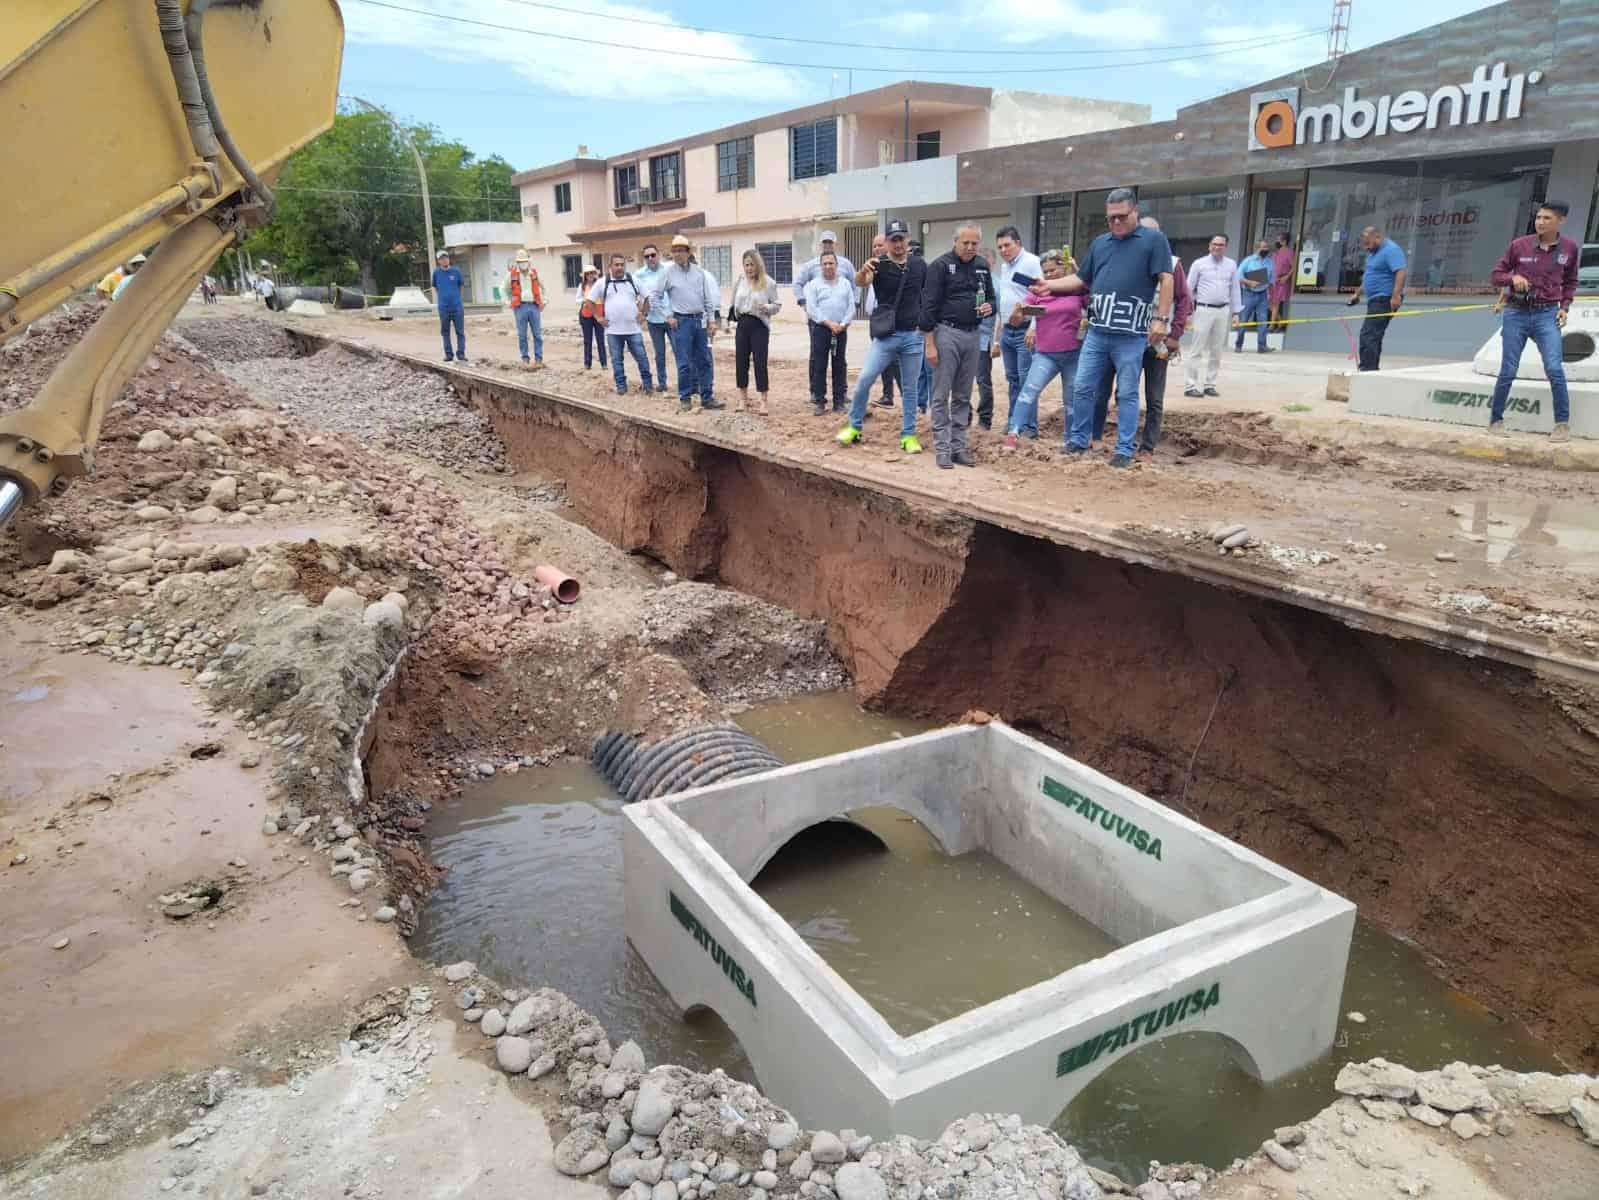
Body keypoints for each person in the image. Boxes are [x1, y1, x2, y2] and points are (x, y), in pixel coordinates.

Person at [1034, 187, 1174, 469]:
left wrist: (1161, 319)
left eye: (1122, 216)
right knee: (1083, 387)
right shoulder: (1100, 244)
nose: (1116, 222)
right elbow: (1081, 281)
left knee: (1127, 393)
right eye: (1111, 218)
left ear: (1135, 212)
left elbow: (1167, 279)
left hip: (1131, 335)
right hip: (1097, 332)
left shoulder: (1153, 241)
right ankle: (1078, 441)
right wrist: (1049, 286)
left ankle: (1123, 449)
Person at [1090, 216, 1190, 459]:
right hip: (1125, 335)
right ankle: (1100, 437)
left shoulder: (1172, 264)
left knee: (1154, 396)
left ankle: (1147, 446)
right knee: (1118, 391)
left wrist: (1174, 334)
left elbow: (1184, 299)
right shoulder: (1126, 258)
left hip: (1157, 341)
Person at [1486, 199, 1578, 443]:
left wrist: (1565, 307)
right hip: (1516, 312)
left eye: (1547, 218)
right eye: (1538, 217)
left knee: (1555, 368)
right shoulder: (1519, 245)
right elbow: (1496, 276)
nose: (1541, 222)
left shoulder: (1570, 248)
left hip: (1548, 314)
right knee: (1508, 369)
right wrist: (1512, 277)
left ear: (1561, 221)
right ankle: (1495, 420)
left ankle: (1561, 424)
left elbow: (1571, 281)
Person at [838, 219, 927, 454]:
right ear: (886, 242)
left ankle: (908, 435)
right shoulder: (878, 265)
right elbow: (860, 282)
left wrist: (928, 331)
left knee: (910, 389)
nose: (898, 243)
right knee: (865, 380)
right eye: (893, 239)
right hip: (886, 336)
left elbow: (927, 296)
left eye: (901, 238)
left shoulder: (919, 265)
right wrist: (863, 271)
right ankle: (854, 427)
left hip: (913, 336)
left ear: (908, 239)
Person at [919, 225, 997, 470]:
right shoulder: (940, 266)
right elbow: (928, 307)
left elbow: (991, 297)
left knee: (963, 395)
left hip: (973, 335)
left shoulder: (982, 266)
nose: (971, 248)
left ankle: (958, 448)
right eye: (966, 243)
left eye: (975, 243)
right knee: (941, 394)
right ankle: (942, 449)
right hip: (946, 333)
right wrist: (929, 344)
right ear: (956, 242)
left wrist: (989, 307)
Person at [1003, 249, 1083, 453]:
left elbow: (1091, 290)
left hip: (1074, 353)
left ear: (1063, 268)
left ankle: (1071, 440)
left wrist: (1076, 269)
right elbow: (1017, 319)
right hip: (1046, 353)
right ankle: (1013, 433)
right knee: (1028, 392)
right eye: (1045, 272)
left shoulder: (1076, 291)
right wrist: (1018, 313)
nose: (1049, 276)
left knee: (1071, 400)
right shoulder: (1038, 292)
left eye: (1053, 270)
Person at [649, 234, 722, 412]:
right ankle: (685, 397)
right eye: (674, 251)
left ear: (688, 252)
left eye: (681, 251)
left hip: (699, 321)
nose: (677, 254)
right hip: (681, 323)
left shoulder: (699, 272)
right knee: (684, 363)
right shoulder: (668, 272)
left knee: (704, 360)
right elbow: (654, 297)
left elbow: (707, 299)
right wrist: (667, 316)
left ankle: (707, 397)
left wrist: (712, 320)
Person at [993, 225, 1042, 435]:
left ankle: (1029, 425)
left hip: (1025, 331)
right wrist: (998, 338)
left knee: (1026, 380)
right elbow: (1005, 301)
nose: (1003, 250)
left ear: (1018, 243)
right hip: (1007, 331)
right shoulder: (1005, 268)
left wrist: (1034, 327)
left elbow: (1041, 295)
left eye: (1007, 245)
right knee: (1012, 379)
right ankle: (1015, 420)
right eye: (1000, 247)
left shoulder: (1031, 262)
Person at [1184, 235, 1241, 397]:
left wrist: (1236, 313)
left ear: (1226, 247)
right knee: (1197, 349)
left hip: (1223, 311)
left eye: (1221, 245)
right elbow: (1189, 289)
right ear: (1209, 246)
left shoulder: (1231, 265)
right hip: (1204, 309)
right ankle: (1190, 385)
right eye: (1214, 244)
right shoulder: (1199, 264)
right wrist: (1187, 313)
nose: (1217, 247)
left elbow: (1235, 290)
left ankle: (1210, 384)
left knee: (1217, 350)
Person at [591, 253, 654, 395]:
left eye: (622, 265)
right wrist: (598, 318)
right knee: (616, 360)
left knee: (642, 358)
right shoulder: (602, 282)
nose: (620, 267)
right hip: (613, 331)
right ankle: (621, 386)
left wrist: (644, 314)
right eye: (616, 265)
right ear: (610, 266)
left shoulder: (633, 280)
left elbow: (648, 296)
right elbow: (589, 301)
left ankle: (648, 385)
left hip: (633, 329)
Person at [1347, 226, 1407, 371]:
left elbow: (1401, 271)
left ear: (1378, 237)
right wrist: (1357, 294)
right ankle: (1371, 370)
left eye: (1368, 243)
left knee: (1368, 335)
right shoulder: (1374, 253)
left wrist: (1395, 296)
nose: (1366, 247)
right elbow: (1369, 276)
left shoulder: (1391, 250)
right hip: (1375, 299)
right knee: (1373, 336)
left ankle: (1367, 370)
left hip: (1385, 299)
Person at [803, 252, 855, 415]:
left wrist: (843, 323)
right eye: (824, 263)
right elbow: (812, 308)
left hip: (840, 330)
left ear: (836, 265)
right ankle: (819, 401)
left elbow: (851, 307)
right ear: (820, 266)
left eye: (831, 263)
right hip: (821, 329)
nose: (828, 266)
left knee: (839, 365)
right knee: (819, 365)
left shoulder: (845, 284)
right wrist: (828, 322)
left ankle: (839, 402)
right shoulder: (814, 285)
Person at [730, 249, 781, 414]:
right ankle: (742, 400)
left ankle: (763, 401)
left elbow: (777, 305)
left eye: (752, 265)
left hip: (759, 324)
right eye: (746, 265)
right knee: (741, 363)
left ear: (758, 265)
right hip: (743, 324)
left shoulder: (768, 282)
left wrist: (767, 307)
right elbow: (733, 303)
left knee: (760, 363)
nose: (749, 268)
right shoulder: (740, 281)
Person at [862, 234, 898, 410]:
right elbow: (862, 282)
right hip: (876, 319)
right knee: (883, 360)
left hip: (889, 320)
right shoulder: (872, 267)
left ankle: (906, 397)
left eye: (880, 245)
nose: (877, 249)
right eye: (874, 246)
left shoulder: (892, 267)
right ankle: (887, 395)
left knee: (896, 361)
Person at [635, 243, 672, 390]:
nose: (650, 258)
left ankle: (689, 384)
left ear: (659, 254)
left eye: (653, 255)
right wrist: (640, 311)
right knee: (660, 354)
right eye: (647, 256)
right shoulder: (639, 275)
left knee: (680, 352)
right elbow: (635, 295)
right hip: (653, 321)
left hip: (671, 319)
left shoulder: (669, 269)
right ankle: (662, 383)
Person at [793, 230, 855, 310]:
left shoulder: (846, 264)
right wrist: (802, 301)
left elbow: (855, 283)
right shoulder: (810, 265)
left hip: (841, 314)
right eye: (825, 242)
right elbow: (798, 284)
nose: (827, 245)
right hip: (817, 314)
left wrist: (854, 303)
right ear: (820, 245)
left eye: (830, 242)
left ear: (836, 244)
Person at [506, 250, 546, 368]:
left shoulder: (534, 273)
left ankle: (538, 359)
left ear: (528, 262)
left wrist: (544, 301)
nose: (523, 264)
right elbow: (503, 289)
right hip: (520, 307)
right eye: (521, 262)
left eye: (525, 261)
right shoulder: (512, 275)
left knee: (537, 334)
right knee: (522, 335)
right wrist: (508, 302)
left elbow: (544, 288)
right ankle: (525, 359)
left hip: (534, 306)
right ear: (517, 262)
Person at [1234, 239, 1274, 353]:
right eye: (1263, 247)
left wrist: (1271, 297)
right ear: (1257, 248)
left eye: (1267, 247)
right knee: (1244, 320)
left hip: (1263, 295)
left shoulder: (1269, 262)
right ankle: (1239, 345)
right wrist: (1249, 282)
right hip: (1249, 294)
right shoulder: (1248, 261)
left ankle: (1262, 346)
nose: (1266, 249)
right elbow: (1238, 276)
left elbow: (1271, 281)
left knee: (1263, 320)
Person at [431, 250, 467, 362]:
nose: (444, 260)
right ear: (438, 261)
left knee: (460, 332)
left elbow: (461, 286)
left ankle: (461, 354)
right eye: (441, 258)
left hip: (457, 307)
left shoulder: (456, 271)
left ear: (448, 258)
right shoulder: (436, 273)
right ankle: (448, 354)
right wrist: (443, 298)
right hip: (444, 308)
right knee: (445, 332)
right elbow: (436, 288)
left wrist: (458, 299)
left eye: (445, 257)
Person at [577, 266, 606, 370]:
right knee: (587, 340)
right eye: (588, 273)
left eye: (592, 273)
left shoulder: (600, 285)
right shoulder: (582, 286)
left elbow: (604, 298)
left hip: (598, 314)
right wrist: (585, 301)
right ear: (585, 275)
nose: (590, 275)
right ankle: (587, 363)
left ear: (595, 274)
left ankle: (604, 363)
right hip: (586, 314)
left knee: (600, 340)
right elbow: (578, 299)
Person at [1268, 234, 1294, 328]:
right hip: (1273, 280)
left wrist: (1287, 277)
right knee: (1269, 302)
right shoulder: (1275, 253)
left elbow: (1294, 266)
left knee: (1276, 302)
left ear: (1284, 242)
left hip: (1282, 281)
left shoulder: (1289, 252)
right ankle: (1281, 320)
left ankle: (1271, 325)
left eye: (1278, 240)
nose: (1276, 242)